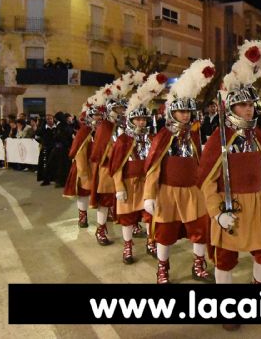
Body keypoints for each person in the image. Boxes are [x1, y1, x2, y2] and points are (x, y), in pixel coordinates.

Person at [199, 40, 261, 331]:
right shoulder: (218, 138)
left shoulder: (260, 136)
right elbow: (206, 181)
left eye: (251, 104)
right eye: (243, 104)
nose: (249, 109)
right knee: (225, 259)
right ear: (230, 106)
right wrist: (216, 213)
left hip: (259, 205)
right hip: (230, 207)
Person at [143, 60, 215, 284]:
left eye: (188, 111)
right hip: (168, 193)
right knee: (165, 234)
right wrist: (149, 196)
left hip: (193, 192)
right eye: (181, 111)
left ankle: (198, 265)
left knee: (200, 230)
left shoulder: (194, 134)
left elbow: (199, 163)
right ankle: (162, 269)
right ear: (173, 111)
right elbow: (153, 168)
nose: (185, 115)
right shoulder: (163, 136)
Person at [111, 73, 167, 264]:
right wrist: (119, 187)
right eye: (138, 119)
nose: (141, 122)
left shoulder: (152, 138)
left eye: (144, 119)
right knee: (127, 218)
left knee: (150, 215)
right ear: (131, 120)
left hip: (146, 184)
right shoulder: (123, 140)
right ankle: (128, 246)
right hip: (128, 183)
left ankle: (151, 241)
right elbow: (116, 166)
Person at [89, 72, 143, 245]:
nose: (120, 112)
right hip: (107, 170)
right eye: (117, 109)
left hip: (126, 170)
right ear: (110, 110)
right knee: (105, 201)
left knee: (129, 200)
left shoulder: (126, 127)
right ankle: (100, 229)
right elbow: (99, 151)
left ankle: (133, 223)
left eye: (122, 109)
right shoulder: (104, 127)